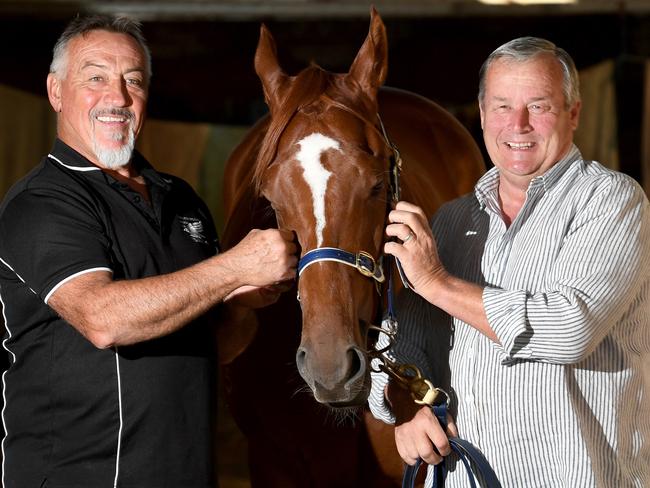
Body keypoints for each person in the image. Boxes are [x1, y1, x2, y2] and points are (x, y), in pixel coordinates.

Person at [0, 14, 297, 487]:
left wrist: (242, 302)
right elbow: (103, 319)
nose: (117, 98)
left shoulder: (181, 199)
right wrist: (236, 267)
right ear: (56, 92)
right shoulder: (42, 201)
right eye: (95, 77)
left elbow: (215, 348)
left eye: (132, 81)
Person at [369, 36, 650, 486]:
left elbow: (568, 330)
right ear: (481, 115)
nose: (517, 125)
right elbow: (403, 346)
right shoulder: (452, 220)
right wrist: (407, 407)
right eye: (501, 107)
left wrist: (438, 282)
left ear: (574, 113)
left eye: (538, 106)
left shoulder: (611, 201)